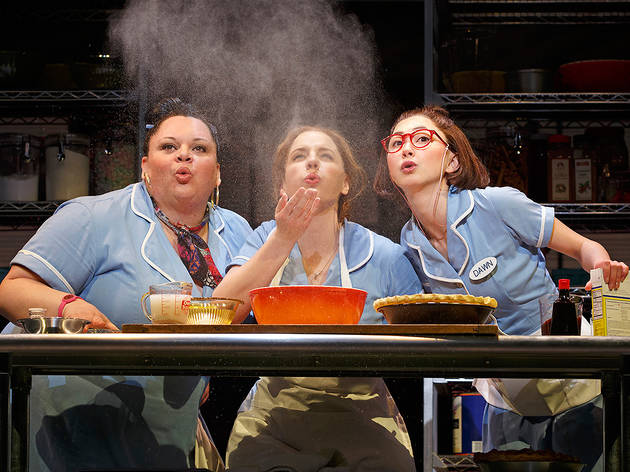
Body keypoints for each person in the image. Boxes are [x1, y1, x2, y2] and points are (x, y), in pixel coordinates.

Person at [0, 97, 253, 471]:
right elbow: (12, 289)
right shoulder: (93, 216)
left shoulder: (236, 232)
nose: (184, 155)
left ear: (217, 173)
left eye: (200, 149)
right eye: (169, 147)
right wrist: (73, 308)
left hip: (166, 427)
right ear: (145, 167)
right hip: (75, 421)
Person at [373, 105, 629, 471]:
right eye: (396, 143)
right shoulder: (409, 241)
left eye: (422, 138)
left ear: (452, 161)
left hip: (570, 382)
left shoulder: (496, 203)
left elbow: (583, 247)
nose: (407, 149)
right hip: (501, 394)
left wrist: (602, 267)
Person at [212, 125, 423, 471]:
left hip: (366, 423)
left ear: (346, 183)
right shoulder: (264, 239)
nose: (312, 162)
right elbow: (220, 314)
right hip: (273, 423)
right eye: (299, 156)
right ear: (281, 185)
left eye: (325, 156)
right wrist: (283, 238)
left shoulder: (384, 256)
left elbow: (421, 346)